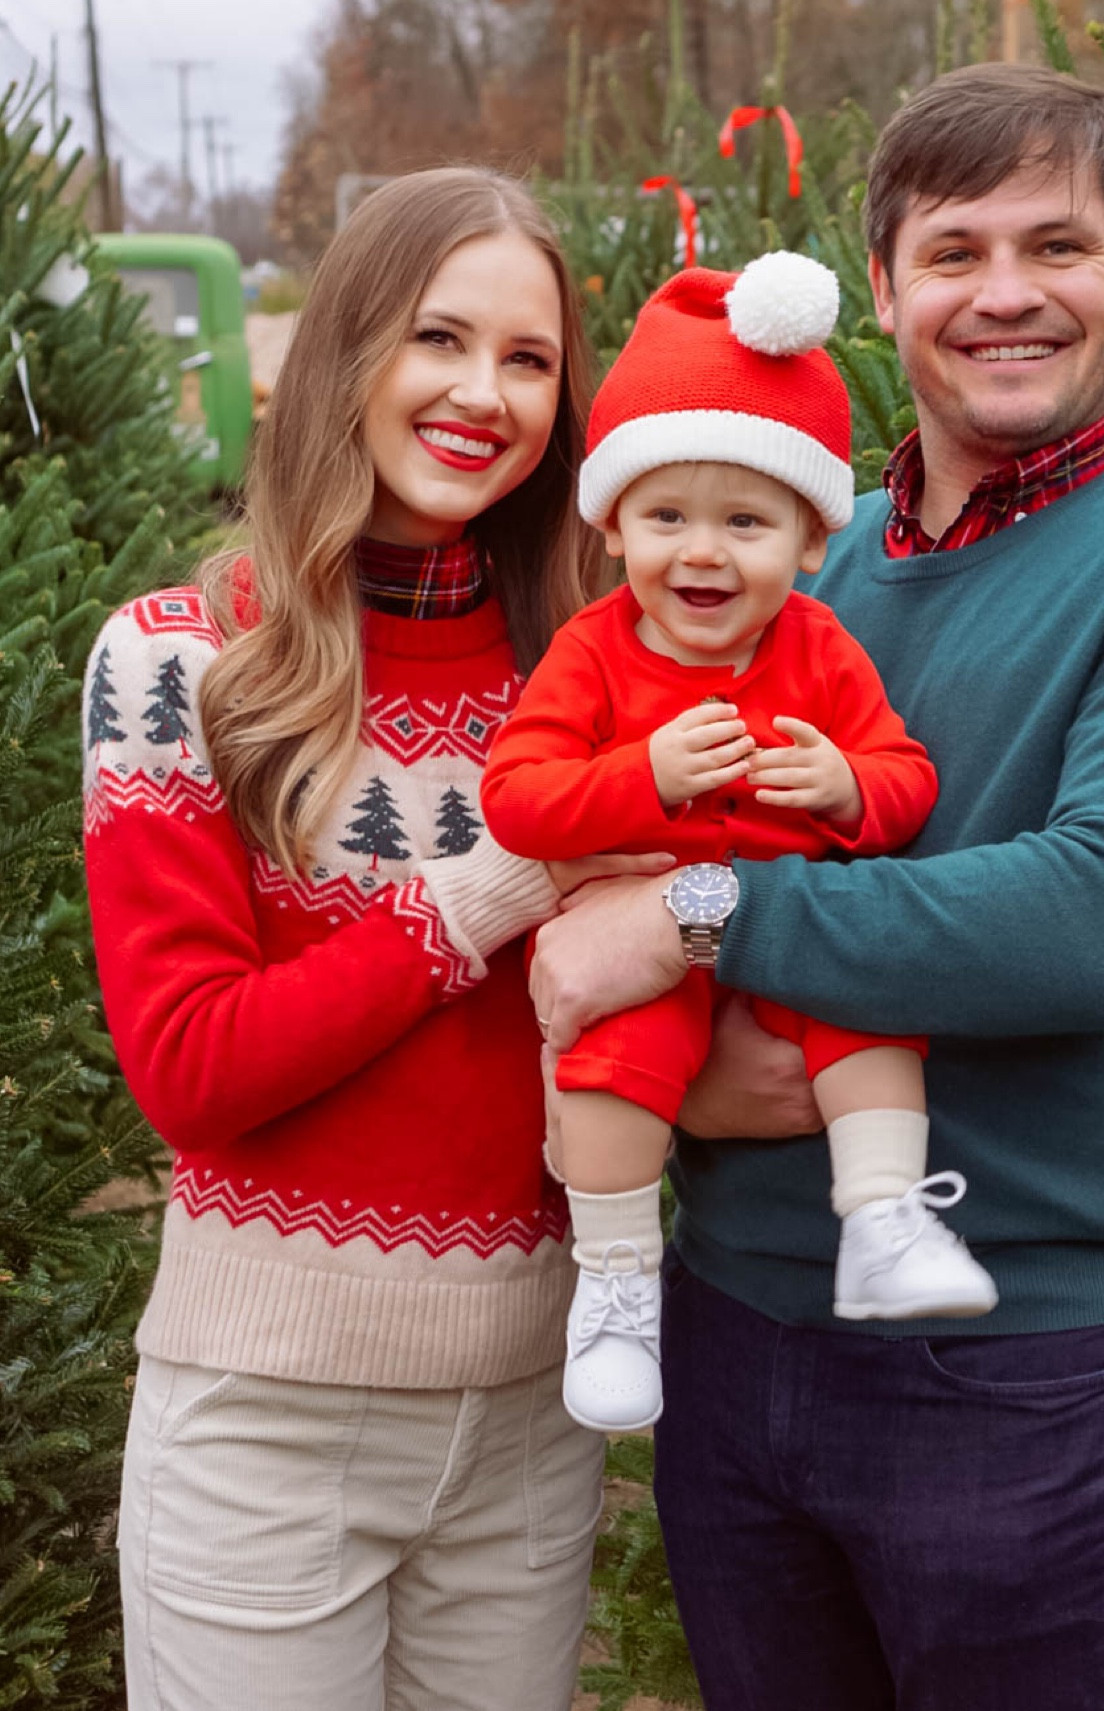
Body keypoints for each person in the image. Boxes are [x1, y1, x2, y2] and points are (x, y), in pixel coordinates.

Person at [527, 64, 1104, 1710]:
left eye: (1053, 246)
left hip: (1014, 1367)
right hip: (727, 1330)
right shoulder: (788, 573)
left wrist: (696, 918)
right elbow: (583, 855)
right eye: (952, 249)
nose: (1001, 294)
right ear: (884, 289)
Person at [82, 167, 668, 1711]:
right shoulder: (182, 658)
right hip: (267, 1418)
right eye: (436, 339)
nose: (484, 393)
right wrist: (496, 883)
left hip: (534, 1422)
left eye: (529, 359)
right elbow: (194, 1068)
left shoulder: (589, 665)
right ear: (346, 349)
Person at [482, 253, 997, 1435]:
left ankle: (880, 1216)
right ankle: (614, 1285)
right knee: (614, 1052)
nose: (702, 552)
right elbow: (517, 797)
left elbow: (905, 779)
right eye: (666, 516)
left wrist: (842, 785)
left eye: (746, 522)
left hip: (783, 921)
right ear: (613, 526)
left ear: (811, 544)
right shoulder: (595, 653)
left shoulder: (818, 649)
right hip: (636, 936)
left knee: (867, 1014)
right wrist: (640, 781)